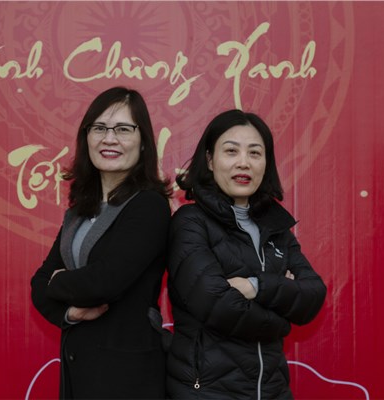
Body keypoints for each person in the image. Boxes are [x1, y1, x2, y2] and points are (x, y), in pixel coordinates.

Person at [166, 109, 327, 399]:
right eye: (231, 151)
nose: (244, 162)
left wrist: (255, 286)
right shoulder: (190, 222)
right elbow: (218, 305)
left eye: (255, 153)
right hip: (207, 392)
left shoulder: (276, 228)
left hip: (273, 391)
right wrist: (282, 318)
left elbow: (313, 296)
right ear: (210, 160)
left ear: (266, 163)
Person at [31, 87, 171, 399]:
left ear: (143, 142)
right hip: (79, 370)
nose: (109, 138)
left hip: (127, 376)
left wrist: (58, 282)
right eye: (99, 128)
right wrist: (70, 313)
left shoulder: (149, 205)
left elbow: (106, 282)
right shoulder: (80, 210)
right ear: (87, 138)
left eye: (123, 129)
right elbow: (38, 284)